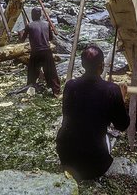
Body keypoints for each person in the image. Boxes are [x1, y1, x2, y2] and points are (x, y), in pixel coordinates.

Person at [56, 44, 130, 181]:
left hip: (66, 157)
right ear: (101, 66)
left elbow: (69, 114)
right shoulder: (112, 90)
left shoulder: (70, 85)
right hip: (94, 166)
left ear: (83, 64)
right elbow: (122, 125)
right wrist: (121, 99)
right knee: (106, 136)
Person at [18, 7, 60, 97]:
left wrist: (20, 34)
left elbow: (22, 40)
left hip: (36, 52)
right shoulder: (47, 24)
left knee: (32, 70)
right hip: (46, 51)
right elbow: (51, 38)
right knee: (51, 71)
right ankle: (56, 91)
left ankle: (30, 86)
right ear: (40, 15)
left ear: (33, 16)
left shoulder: (29, 25)